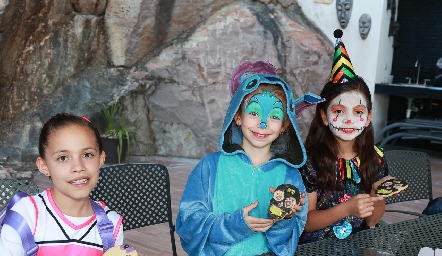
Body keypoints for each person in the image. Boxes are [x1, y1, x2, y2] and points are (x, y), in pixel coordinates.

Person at [175, 60, 323, 255]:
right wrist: (235, 224)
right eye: (254, 112)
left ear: (284, 126)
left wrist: (283, 219)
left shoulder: (290, 176)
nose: (262, 124)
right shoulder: (209, 167)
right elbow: (188, 224)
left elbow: (287, 243)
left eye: (275, 116)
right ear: (238, 116)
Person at [299, 29, 393, 244]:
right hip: (316, 247)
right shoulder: (311, 161)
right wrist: (346, 209)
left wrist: (377, 195)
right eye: (339, 111)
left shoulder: (375, 158)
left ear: (368, 117)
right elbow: (306, 222)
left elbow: (371, 222)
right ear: (324, 116)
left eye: (358, 112)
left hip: (357, 245)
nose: (349, 120)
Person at [0, 113, 124, 255]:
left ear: (101, 159)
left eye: (87, 155)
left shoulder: (111, 225)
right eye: (63, 158)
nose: (78, 167)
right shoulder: (26, 215)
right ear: (44, 166)